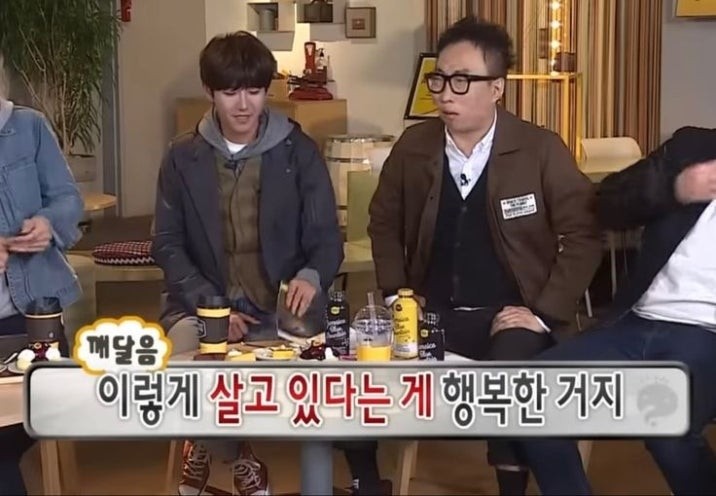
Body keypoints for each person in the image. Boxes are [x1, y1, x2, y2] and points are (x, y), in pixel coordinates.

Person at [351, 17, 603, 496]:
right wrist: (397, 295)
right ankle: (366, 479)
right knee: (352, 360)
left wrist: (543, 312)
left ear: (497, 89)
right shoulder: (415, 147)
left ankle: (511, 486)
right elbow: (382, 222)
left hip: (511, 317)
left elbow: (585, 234)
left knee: (507, 375)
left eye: (462, 81)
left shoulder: (539, 149)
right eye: (439, 79)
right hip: (433, 314)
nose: (446, 94)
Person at [151, 31, 343, 496]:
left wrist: (311, 276)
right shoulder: (182, 156)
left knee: (327, 379)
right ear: (210, 92)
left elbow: (326, 237)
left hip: (281, 308)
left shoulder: (298, 151)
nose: (243, 105)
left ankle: (205, 447)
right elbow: (167, 243)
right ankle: (240, 458)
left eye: (254, 91)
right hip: (201, 306)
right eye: (230, 92)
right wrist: (211, 308)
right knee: (193, 368)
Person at [519, 126, 716, 496]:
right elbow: (607, 202)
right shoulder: (694, 147)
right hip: (635, 321)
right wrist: (675, 188)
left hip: (706, 334)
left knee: (667, 423)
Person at [0, 93, 85, 493]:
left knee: (12, 432)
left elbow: (68, 198)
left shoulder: (29, 126)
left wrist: (48, 223)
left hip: (32, 319)